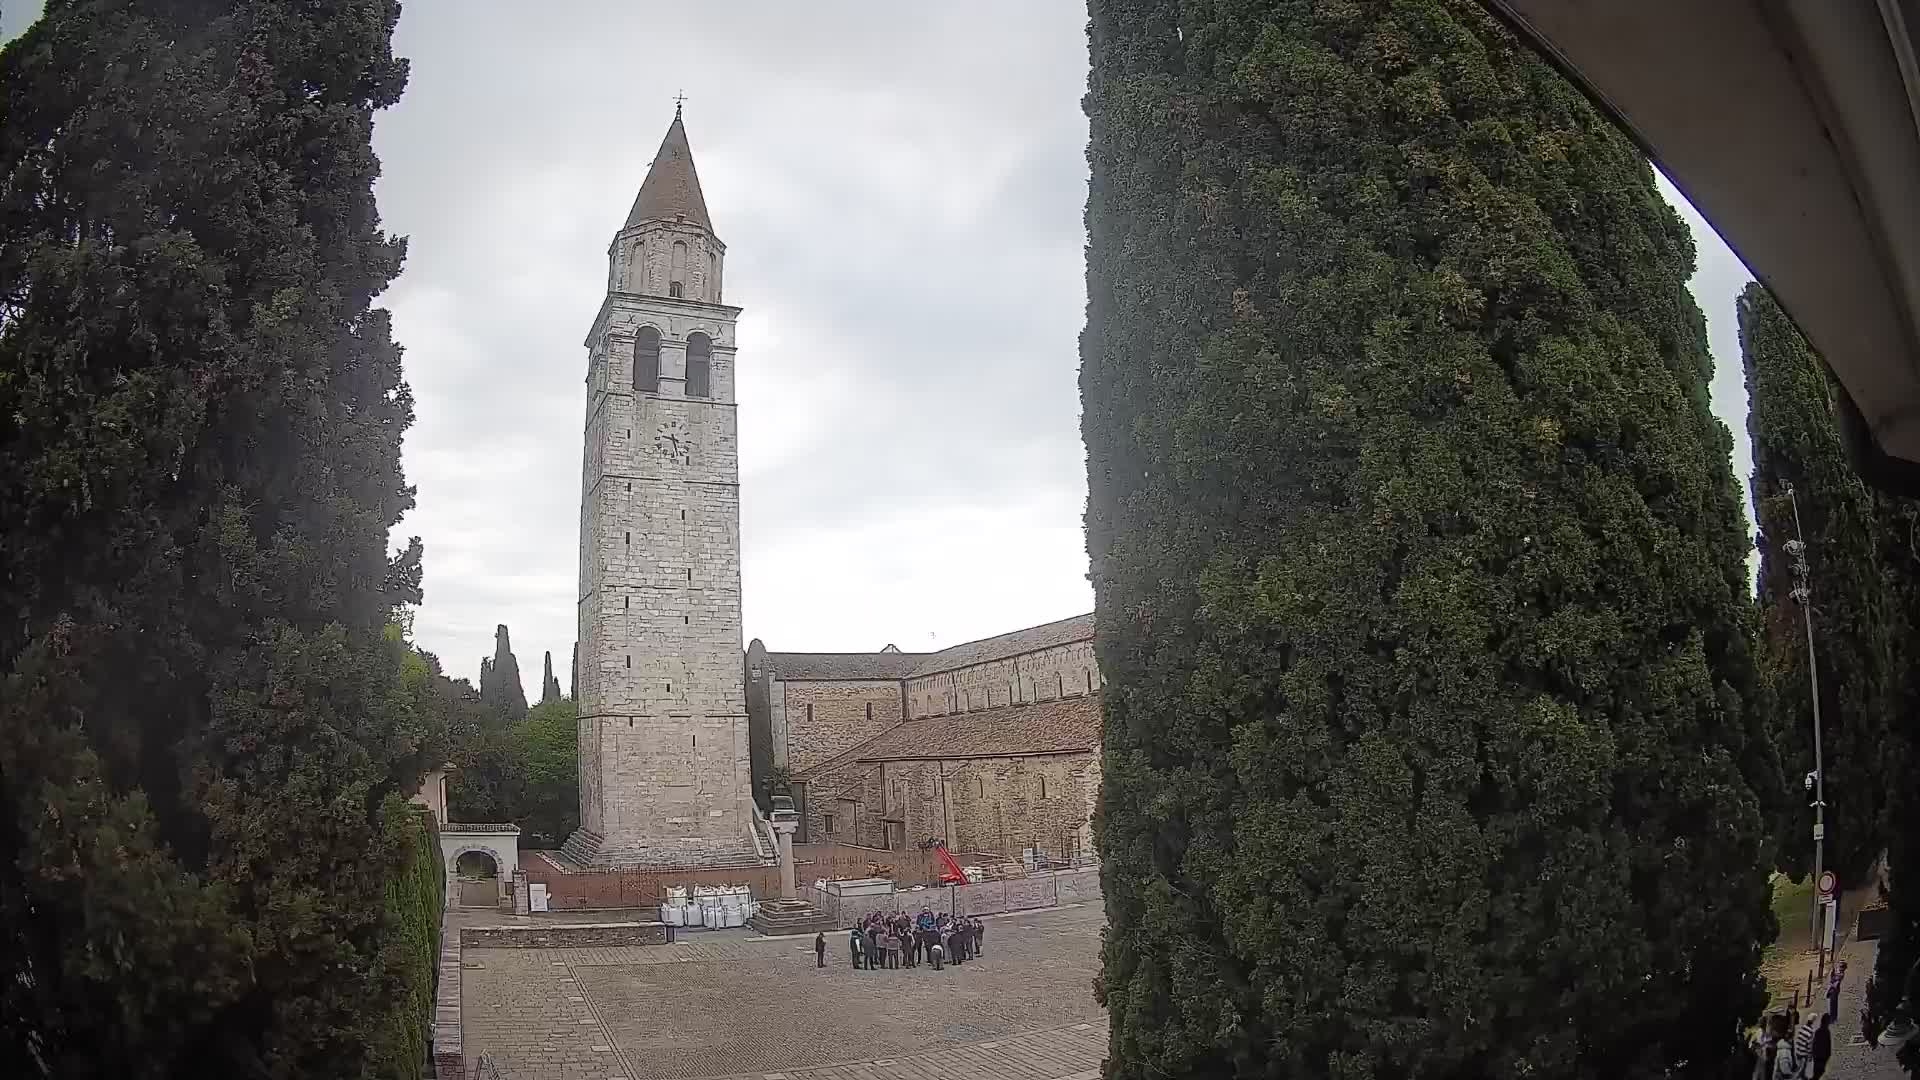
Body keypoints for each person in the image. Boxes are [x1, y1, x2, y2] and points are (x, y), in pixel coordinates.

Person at [1811, 1013, 1832, 1079]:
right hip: (1822, 1056)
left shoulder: (1818, 1031)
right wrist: (1828, 1054)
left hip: (1817, 1056)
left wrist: (1813, 1053)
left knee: (1817, 1072)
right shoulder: (1826, 1032)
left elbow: (1814, 1043)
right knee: (1819, 1072)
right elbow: (1828, 1044)